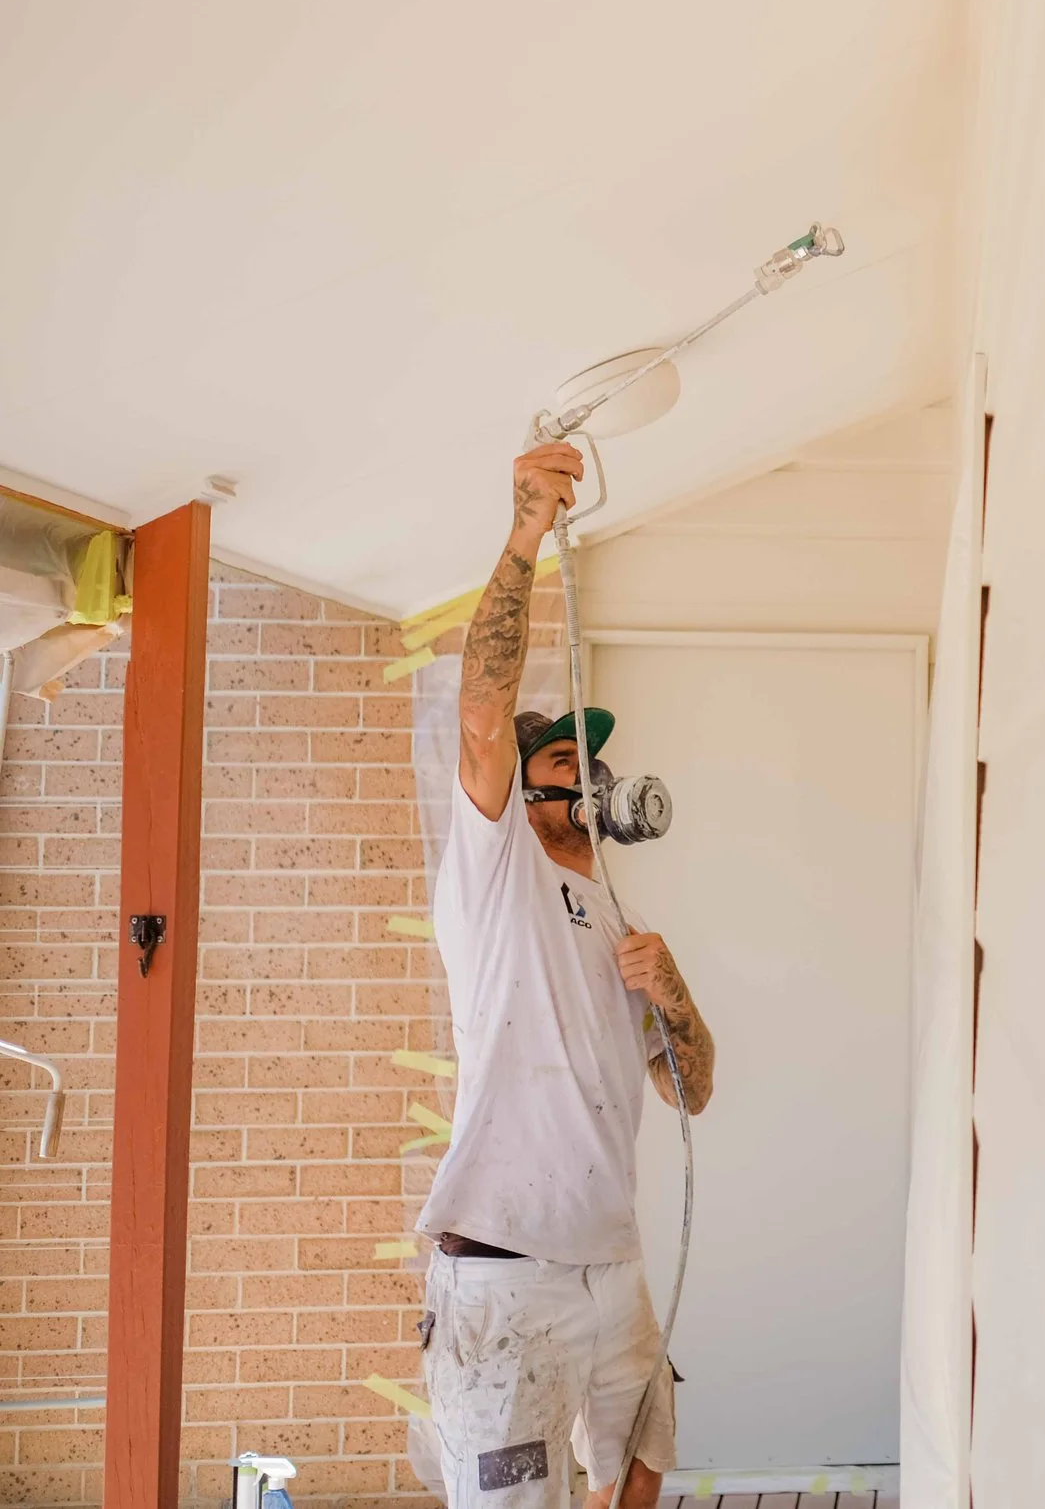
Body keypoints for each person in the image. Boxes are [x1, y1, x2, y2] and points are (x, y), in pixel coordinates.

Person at [416, 440, 718, 1509]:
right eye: (562, 766)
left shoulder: (623, 921)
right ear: (527, 793)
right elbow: (486, 710)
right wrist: (526, 533)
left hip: (612, 1262)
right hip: (506, 1271)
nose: (588, 779)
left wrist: (673, 997)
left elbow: (690, 1089)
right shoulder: (499, 873)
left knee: (641, 1463)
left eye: (594, 764)